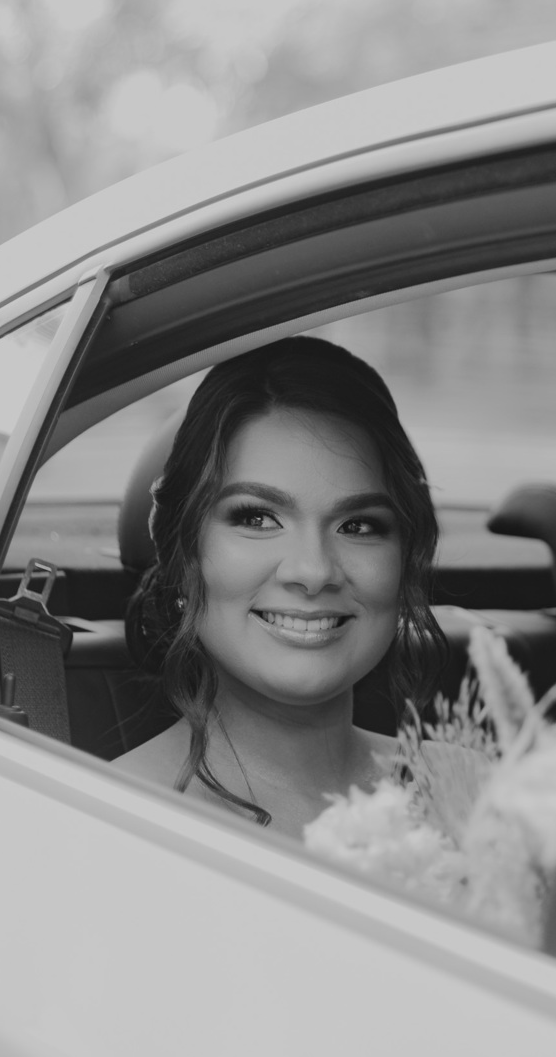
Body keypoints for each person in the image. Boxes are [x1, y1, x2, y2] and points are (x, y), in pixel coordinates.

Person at [116, 335, 447, 837]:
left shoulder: (476, 790)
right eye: (257, 518)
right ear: (183, 554)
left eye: (358, 525)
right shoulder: (108, 819)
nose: (313, 571)